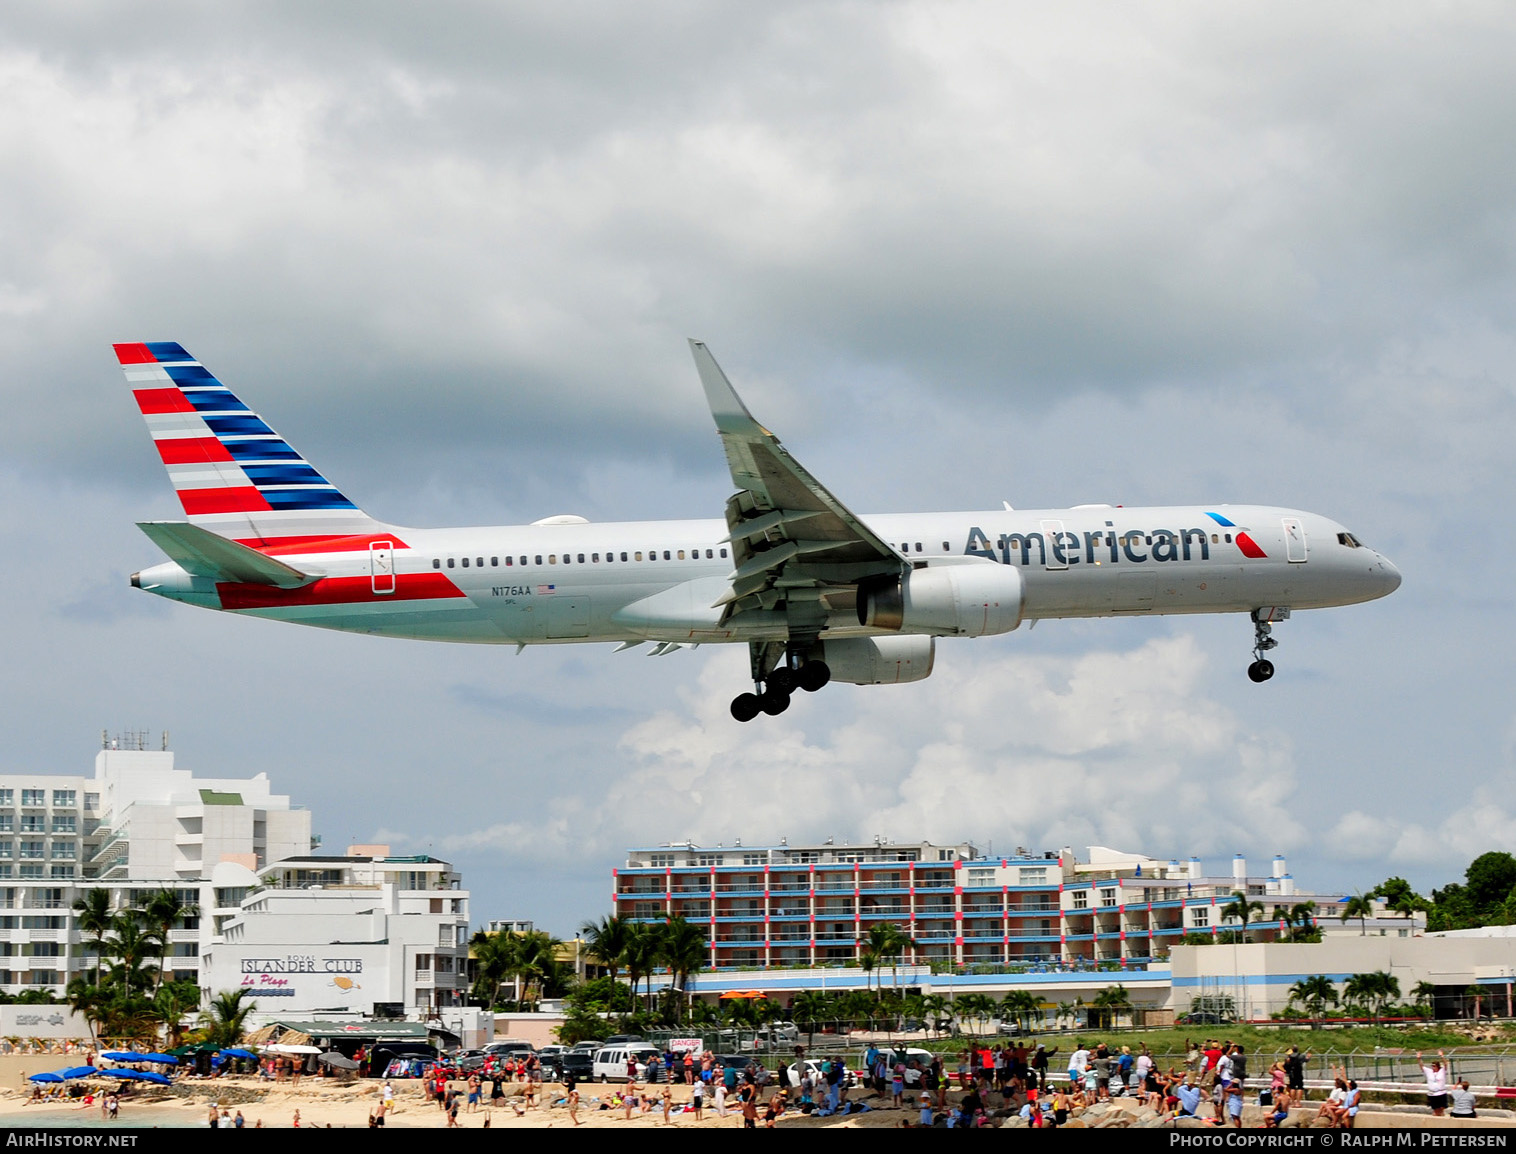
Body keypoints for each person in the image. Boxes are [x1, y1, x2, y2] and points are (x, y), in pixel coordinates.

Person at [1418, 1050, 1449, 1116]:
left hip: (1441, 1092)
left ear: (1438, 1066)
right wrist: (1419, 1058)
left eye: (1434, 1066)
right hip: (1432, 1093)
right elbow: (1422, 1066)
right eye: (1432, 1066)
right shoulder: (1429, 1071)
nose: (1433, 1067)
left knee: (1441, 1109)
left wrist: (1442, 1056)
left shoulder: (1442, 1071)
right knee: (1435, 1109)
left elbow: (1446, 1064)